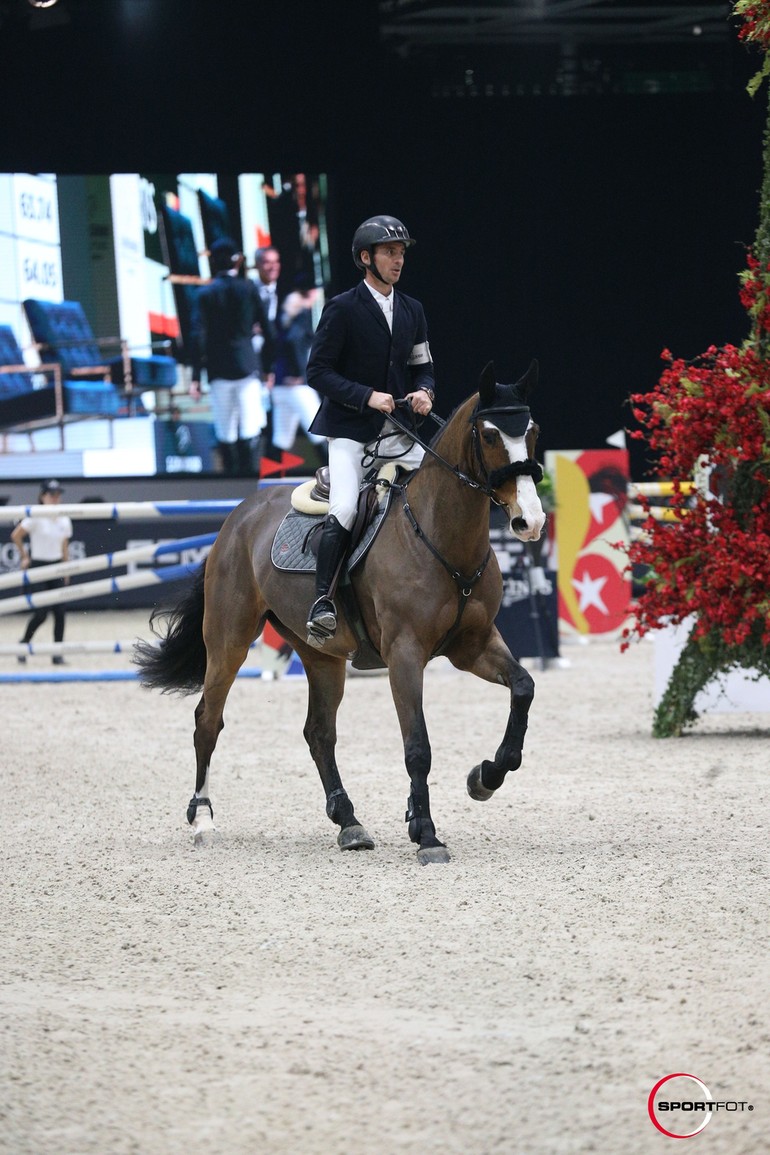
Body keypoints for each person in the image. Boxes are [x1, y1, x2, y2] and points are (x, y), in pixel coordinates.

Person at [304, 214, 435, 641]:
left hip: (398, 430)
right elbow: (318, 371)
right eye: (389, 253)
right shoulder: (342, 308)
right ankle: (322, 601)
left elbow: (424, 367)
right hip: (351, 432)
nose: (398, 261)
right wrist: (365, 396)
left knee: (440, 486)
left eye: (400, 253)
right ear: (367, 258)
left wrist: (425, 393)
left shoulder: (413, 309)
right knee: (344, 507)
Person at [190, 237, 274, 475]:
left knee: (225, 430)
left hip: (218, 370)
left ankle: (230, 484)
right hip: (247, 366)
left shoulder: (204, 294)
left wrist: (196, 376)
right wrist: (268, 369)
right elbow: (269, 332)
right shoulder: (248, 289)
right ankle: (251, 488)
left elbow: (198, 337)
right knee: (250, 428)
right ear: (237, 260)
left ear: (213, 262)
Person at [11, 479, 73, 665]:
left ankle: (57, 653)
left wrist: (66, 567)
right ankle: (23, 644)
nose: (55, 498)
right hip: (39, 566)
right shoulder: (35, 516)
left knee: (60, 612)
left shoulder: (64, 518)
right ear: (42, 497)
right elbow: (16, 536)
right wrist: (24, 556)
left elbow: (64, 546)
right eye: (51, 494)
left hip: (57, 566)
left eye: (57, 494)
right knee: (41, 613)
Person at [271, 271, 327, 459]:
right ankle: (334, 482)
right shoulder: (301, 313)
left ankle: (267, 480)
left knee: (281, 440)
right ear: (310, 293)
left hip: (281, 386)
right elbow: (294, 341)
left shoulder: (285, 313)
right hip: (297, 387)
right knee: (321, 433)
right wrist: (299, 374)